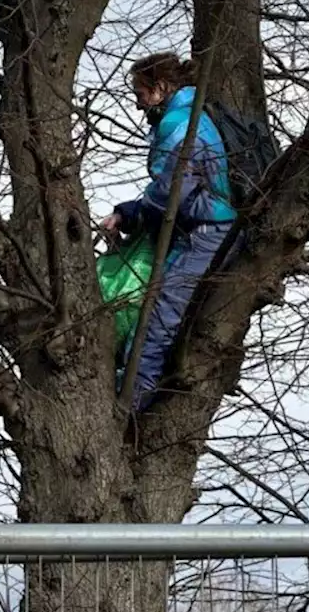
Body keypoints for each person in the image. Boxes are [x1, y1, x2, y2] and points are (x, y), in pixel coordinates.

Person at [100, 51, 239, 412]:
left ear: (160, 88)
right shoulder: (189, 116)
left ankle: (129, 404)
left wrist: (133, 213)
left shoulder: (179, 123)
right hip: (206, 226)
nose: (137, 104)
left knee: (158, 316)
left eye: (140, 94)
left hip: (206, 232)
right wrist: (128, 214)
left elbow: (171, 193)